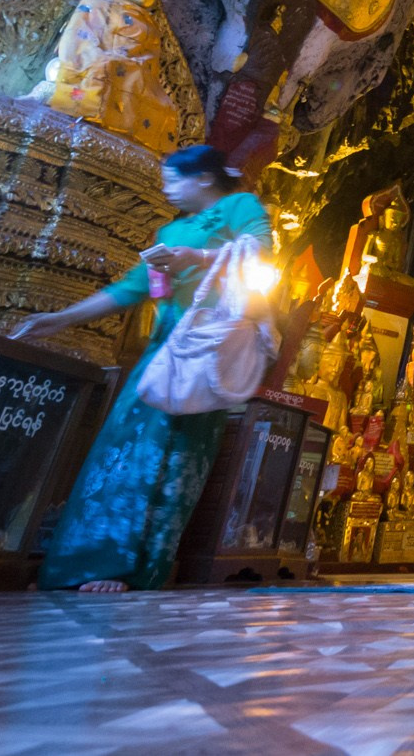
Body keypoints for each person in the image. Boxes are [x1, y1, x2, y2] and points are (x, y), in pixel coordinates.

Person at [18, 145, 273, 592]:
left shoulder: (239, 206)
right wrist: (61, 318)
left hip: (208, 344)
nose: (165, 187)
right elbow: (134, 289)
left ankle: (137, 568)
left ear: (204, 179)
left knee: (176, 455)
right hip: (167, 343)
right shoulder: (169, 230)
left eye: (173, 178)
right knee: (125, 442)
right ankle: (89, 560)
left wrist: (200, 260)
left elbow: (260, 255)